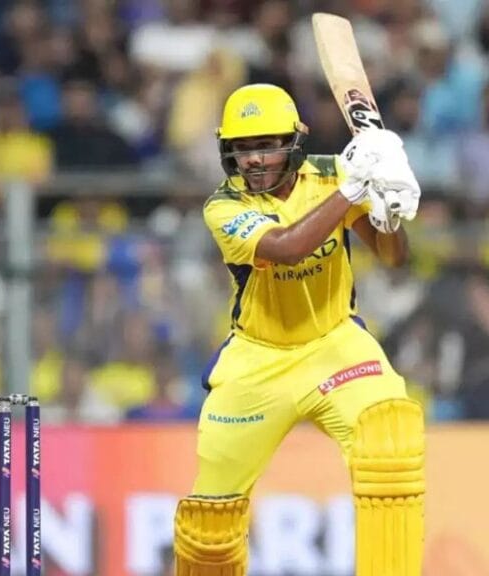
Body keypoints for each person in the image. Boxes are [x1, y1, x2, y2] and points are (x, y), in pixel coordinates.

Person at [172, 83, 424, 576]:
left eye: (266, 145)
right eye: (243, 148)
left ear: (294, 141)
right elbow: (286, 248)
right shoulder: (223, 206)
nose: (254, 159)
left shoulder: (335, 173)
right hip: (258, 360)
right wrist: (353, 189)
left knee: (390, 443)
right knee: (210, 524)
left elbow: (393, 259)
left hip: (336, 345)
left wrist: (390, 212)